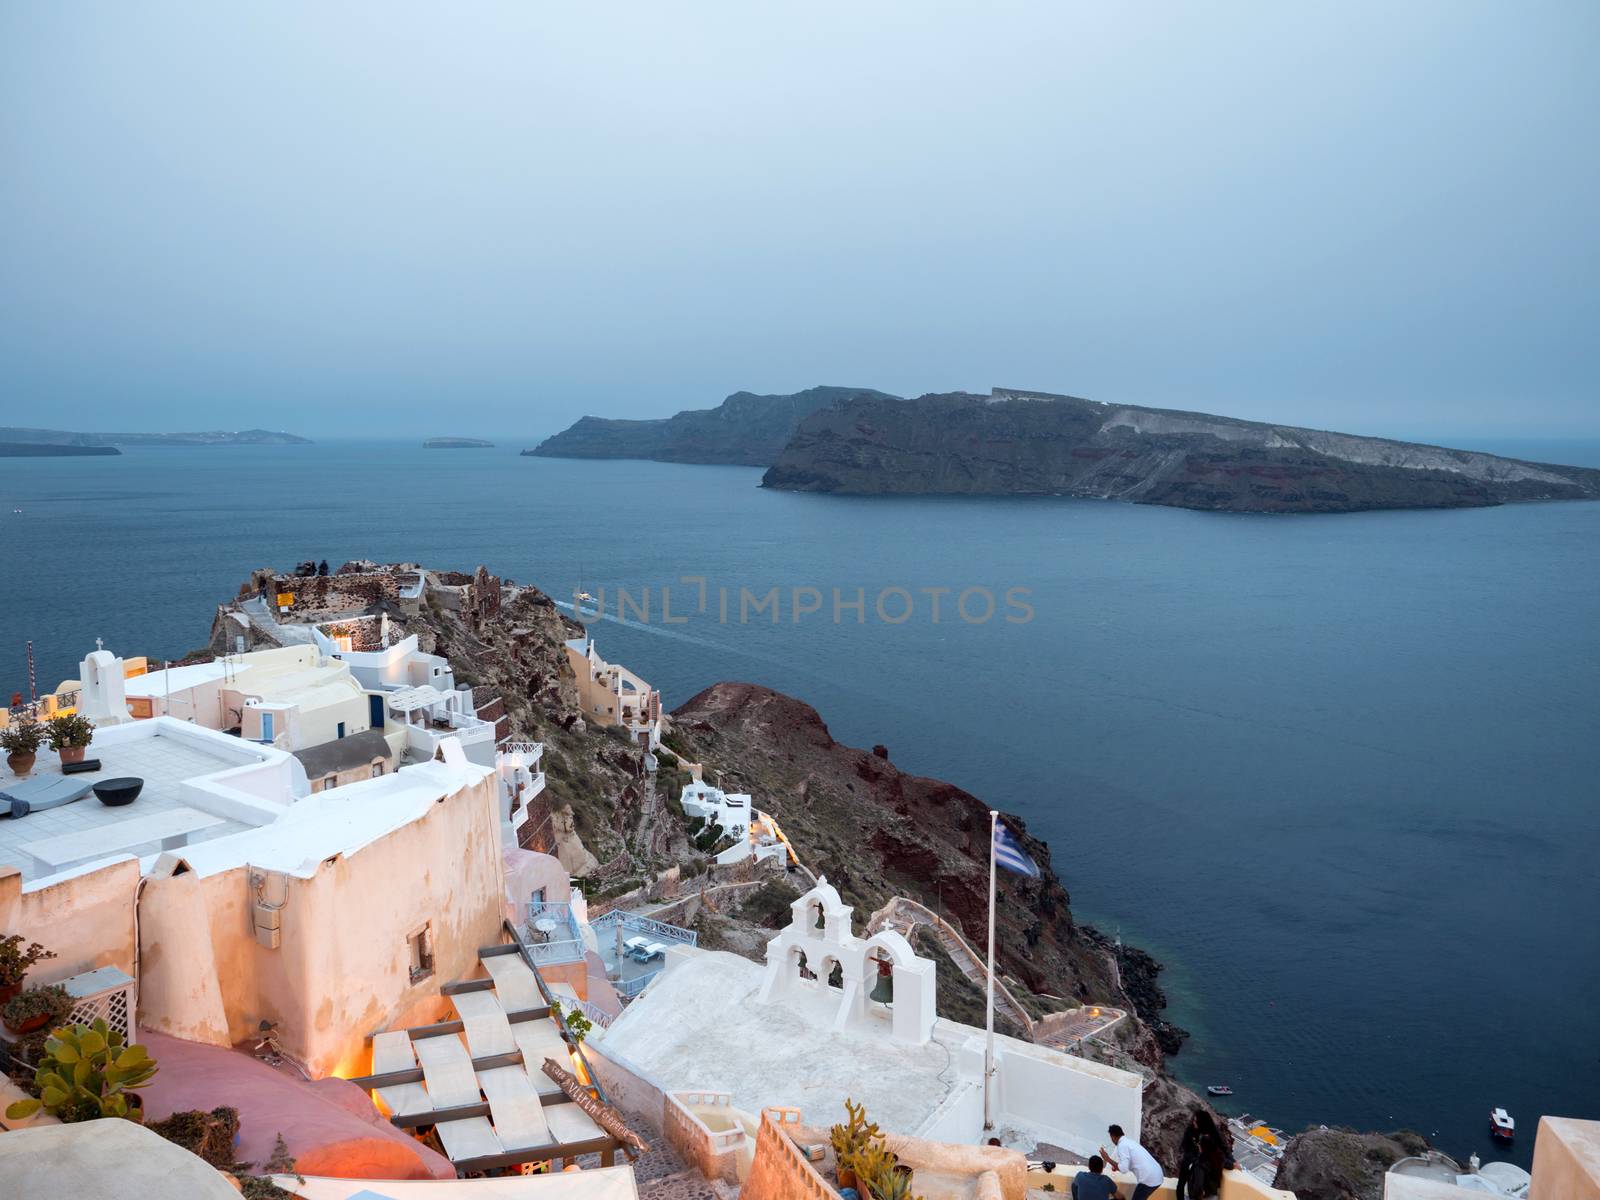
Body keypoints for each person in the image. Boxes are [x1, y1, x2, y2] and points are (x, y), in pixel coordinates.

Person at [1100, 1125, 1164, 1200]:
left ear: (1113, 1136)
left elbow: (1124, 1169)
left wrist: (1107, 1159)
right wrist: (1117, 1167)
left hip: (1149, 1179)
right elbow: (1128, 1164)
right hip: (1157, 1175)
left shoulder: (1122, 1146)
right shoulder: (1129, 1142)